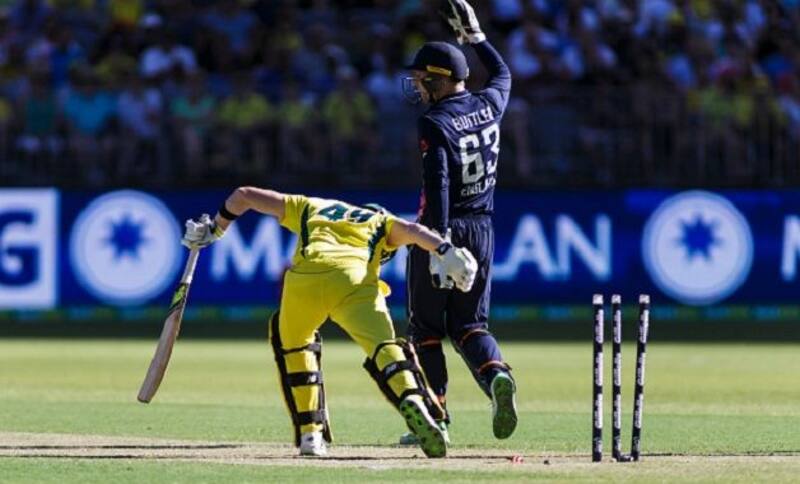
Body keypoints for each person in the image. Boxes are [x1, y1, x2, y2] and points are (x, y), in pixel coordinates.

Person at [181, 186, 478, 458]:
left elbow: (243, 195)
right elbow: (414, 230)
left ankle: (311, 435)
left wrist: (215, 228)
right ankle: (411, 398)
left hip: (305, 280)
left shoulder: (313, 205)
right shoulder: (382, 223)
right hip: (356, 281)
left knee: (295, 347)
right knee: (385, 348)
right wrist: (445, 250)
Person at [399, 0, 517, 445]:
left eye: (420, 79)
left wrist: (438, 242)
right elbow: (503, 74)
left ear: (436, 79)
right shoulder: (490, 103)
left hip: (443, 229)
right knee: (470, 326)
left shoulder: (433, 121)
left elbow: (438, 183)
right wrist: (478, 38)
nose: (417, 86)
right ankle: (496, 376)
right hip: (483, 229)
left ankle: (436, 418)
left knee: (425, 331)